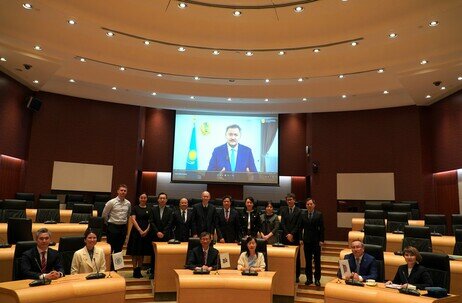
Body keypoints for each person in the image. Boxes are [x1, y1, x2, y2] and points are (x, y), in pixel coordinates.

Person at [102, 184, 131, 270]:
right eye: (121, 190)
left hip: (122, 228)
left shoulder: (128, 203)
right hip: (112, 227)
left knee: (119, 250)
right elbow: (104, 215)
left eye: (124, 191)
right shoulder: (111, 202)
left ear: (126, 192)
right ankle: (109, 268)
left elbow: (128, 214)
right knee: (111, 249)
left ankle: (116, 269)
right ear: (118, 191)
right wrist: (109, 225)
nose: (123, 192)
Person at [126, 193, 152, 278]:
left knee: (141, 253)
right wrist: (140, 230)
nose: (143, 199)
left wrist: (147, 230)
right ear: (139, 199)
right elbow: (133, 219)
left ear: (146, 199)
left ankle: (139, 270)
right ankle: (134, 270)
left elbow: (151, 221)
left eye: (145, 198)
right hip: (136, 232)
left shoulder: (149, 208)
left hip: (146, 233)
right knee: (135, 253)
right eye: (142, 197)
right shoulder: (135, 208)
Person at [149, 192, 174, 278]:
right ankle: (153, 272)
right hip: (155, 235)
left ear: (166, 200)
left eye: (164, 198)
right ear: (158, 199)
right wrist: (157, 232)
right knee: (154, 254)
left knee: (164, 254)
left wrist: (163, 232)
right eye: (161, 198)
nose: (162, 200)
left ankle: (163, 272)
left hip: (166, 236)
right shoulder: (153, 209)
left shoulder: (170, 211)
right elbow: (151, 222)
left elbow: (170, 223)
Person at [301, 198, 324, 286]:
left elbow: (322, 228)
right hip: (306, 241)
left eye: (311, 204)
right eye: (308, 204)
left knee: (317, 261)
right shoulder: (303, 214)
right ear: (306, 206)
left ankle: (317, 279)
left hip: (316, 241)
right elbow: (300, 228)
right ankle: (309, 279)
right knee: (308, 261)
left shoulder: (319, 214)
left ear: (314, 205)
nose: (309, 206)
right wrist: (300, 238)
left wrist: (322, 240)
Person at [280, 193, 302, 282]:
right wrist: (287, 234)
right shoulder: (283, 210)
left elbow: (298, 225)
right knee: (286, 257)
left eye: (291, 199)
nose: (289, 201)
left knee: (296, 258)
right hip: (285, 238)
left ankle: (296, 276)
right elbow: (283, 224)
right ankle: (287, 274)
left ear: (294, 200)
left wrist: (291, 234)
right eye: (288, 200)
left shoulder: (299, 211)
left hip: (295, 237)